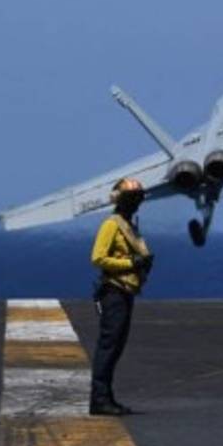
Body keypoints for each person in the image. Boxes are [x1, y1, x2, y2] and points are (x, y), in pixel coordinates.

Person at [89, 177, 153, 415]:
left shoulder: (129, 225)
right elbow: (97, 258)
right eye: (132, 198)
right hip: (113, 292)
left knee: (116, 347)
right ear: (120, 200)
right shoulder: (112, 225)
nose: (136, 203)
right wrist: (130, 263)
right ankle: (99, 400)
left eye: (138, 198)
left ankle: (106, 398)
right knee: (109, 346)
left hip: (125, 291)